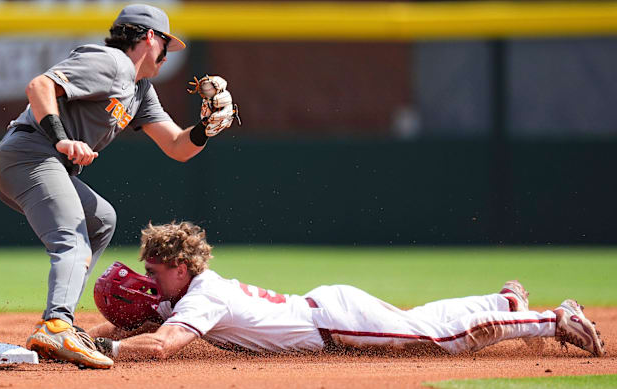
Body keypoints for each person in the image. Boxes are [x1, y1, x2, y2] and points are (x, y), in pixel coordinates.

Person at [0, 4, 238, 369]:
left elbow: (176, 146)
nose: (168, 55)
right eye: (167, 44)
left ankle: (61, 323)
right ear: (150, 38)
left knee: (101, 219)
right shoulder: (111, 62)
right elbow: (39, 85)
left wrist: (206, 129)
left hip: (40, 162)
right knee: (71, 238)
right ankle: (56, 325)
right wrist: (61, 139)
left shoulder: (140, 90)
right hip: (29, 155)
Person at [87, 221, 606, 361]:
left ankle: (550, 320)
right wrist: (77, 338)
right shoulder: (188, 291)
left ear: (180, 267)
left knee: (438, 341)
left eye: (154, 269)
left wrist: (105, 351)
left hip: (330, 323)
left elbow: (161, 343)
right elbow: (144, 323)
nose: (149, 279)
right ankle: (501, 305)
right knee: (421, 321)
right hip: (330, 308)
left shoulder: (200, 299)